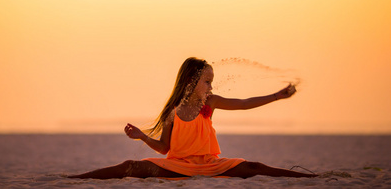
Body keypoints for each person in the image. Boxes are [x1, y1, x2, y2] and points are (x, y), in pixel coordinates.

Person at [68, 57, 317, 179]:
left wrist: (277, 96)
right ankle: (74, 180)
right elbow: (165, 148)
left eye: (211, 81)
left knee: (254, 167)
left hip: (211, 164)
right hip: (179, 166)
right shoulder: (172, 112)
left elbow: (243, 104)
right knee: (128, 167)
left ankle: (311, 179)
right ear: (191, 81)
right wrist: (142, 137)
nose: (211, 85)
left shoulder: (210, 103)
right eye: (207, 81)